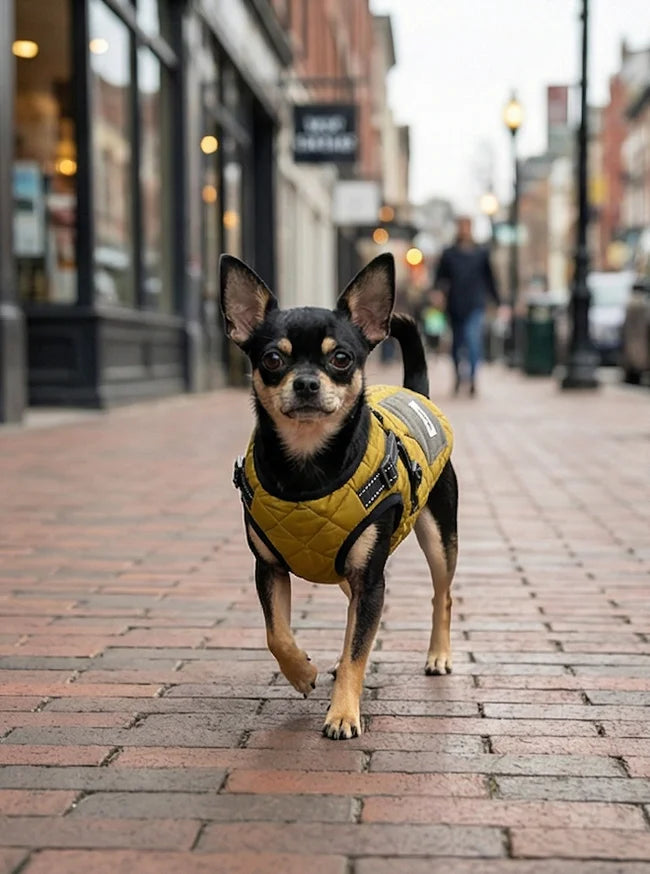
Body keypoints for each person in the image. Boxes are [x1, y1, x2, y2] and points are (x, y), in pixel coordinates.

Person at [434, 216, 501, 396]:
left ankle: (472, 379)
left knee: (473, 340)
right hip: (455, 305)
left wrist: (497, 301)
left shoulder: (481, 253)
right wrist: (438, 293)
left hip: (475, 304)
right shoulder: (449, 253)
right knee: (457, 344)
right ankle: (457, 377)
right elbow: (440, 278)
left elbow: (490, 279)